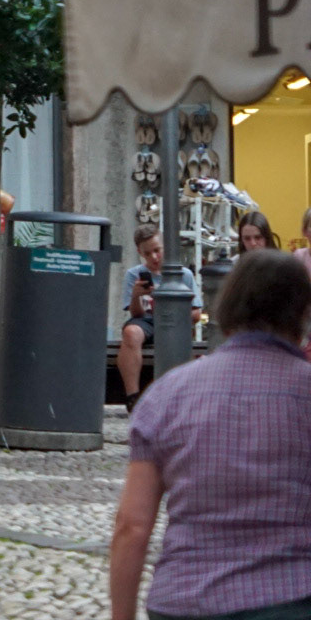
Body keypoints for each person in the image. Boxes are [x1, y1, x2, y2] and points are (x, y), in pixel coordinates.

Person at [110, 249, 311, 620]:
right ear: (301, 314)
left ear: (227, 310)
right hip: (291, 598)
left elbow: (132, 526)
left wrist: (121, 615)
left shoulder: (167, 394)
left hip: (184, 600)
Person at [118, 224, 203, 413]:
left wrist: (172, 312)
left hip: (175, 322)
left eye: (157, 250)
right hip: (146, 321)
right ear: (140, 253)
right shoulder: (134, 275)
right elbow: (136, 315)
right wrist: (135, 296)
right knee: (131, 333)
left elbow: (196, 314)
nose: (154, 257)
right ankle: (132, 397)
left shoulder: (183, 275)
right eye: (147, 254)